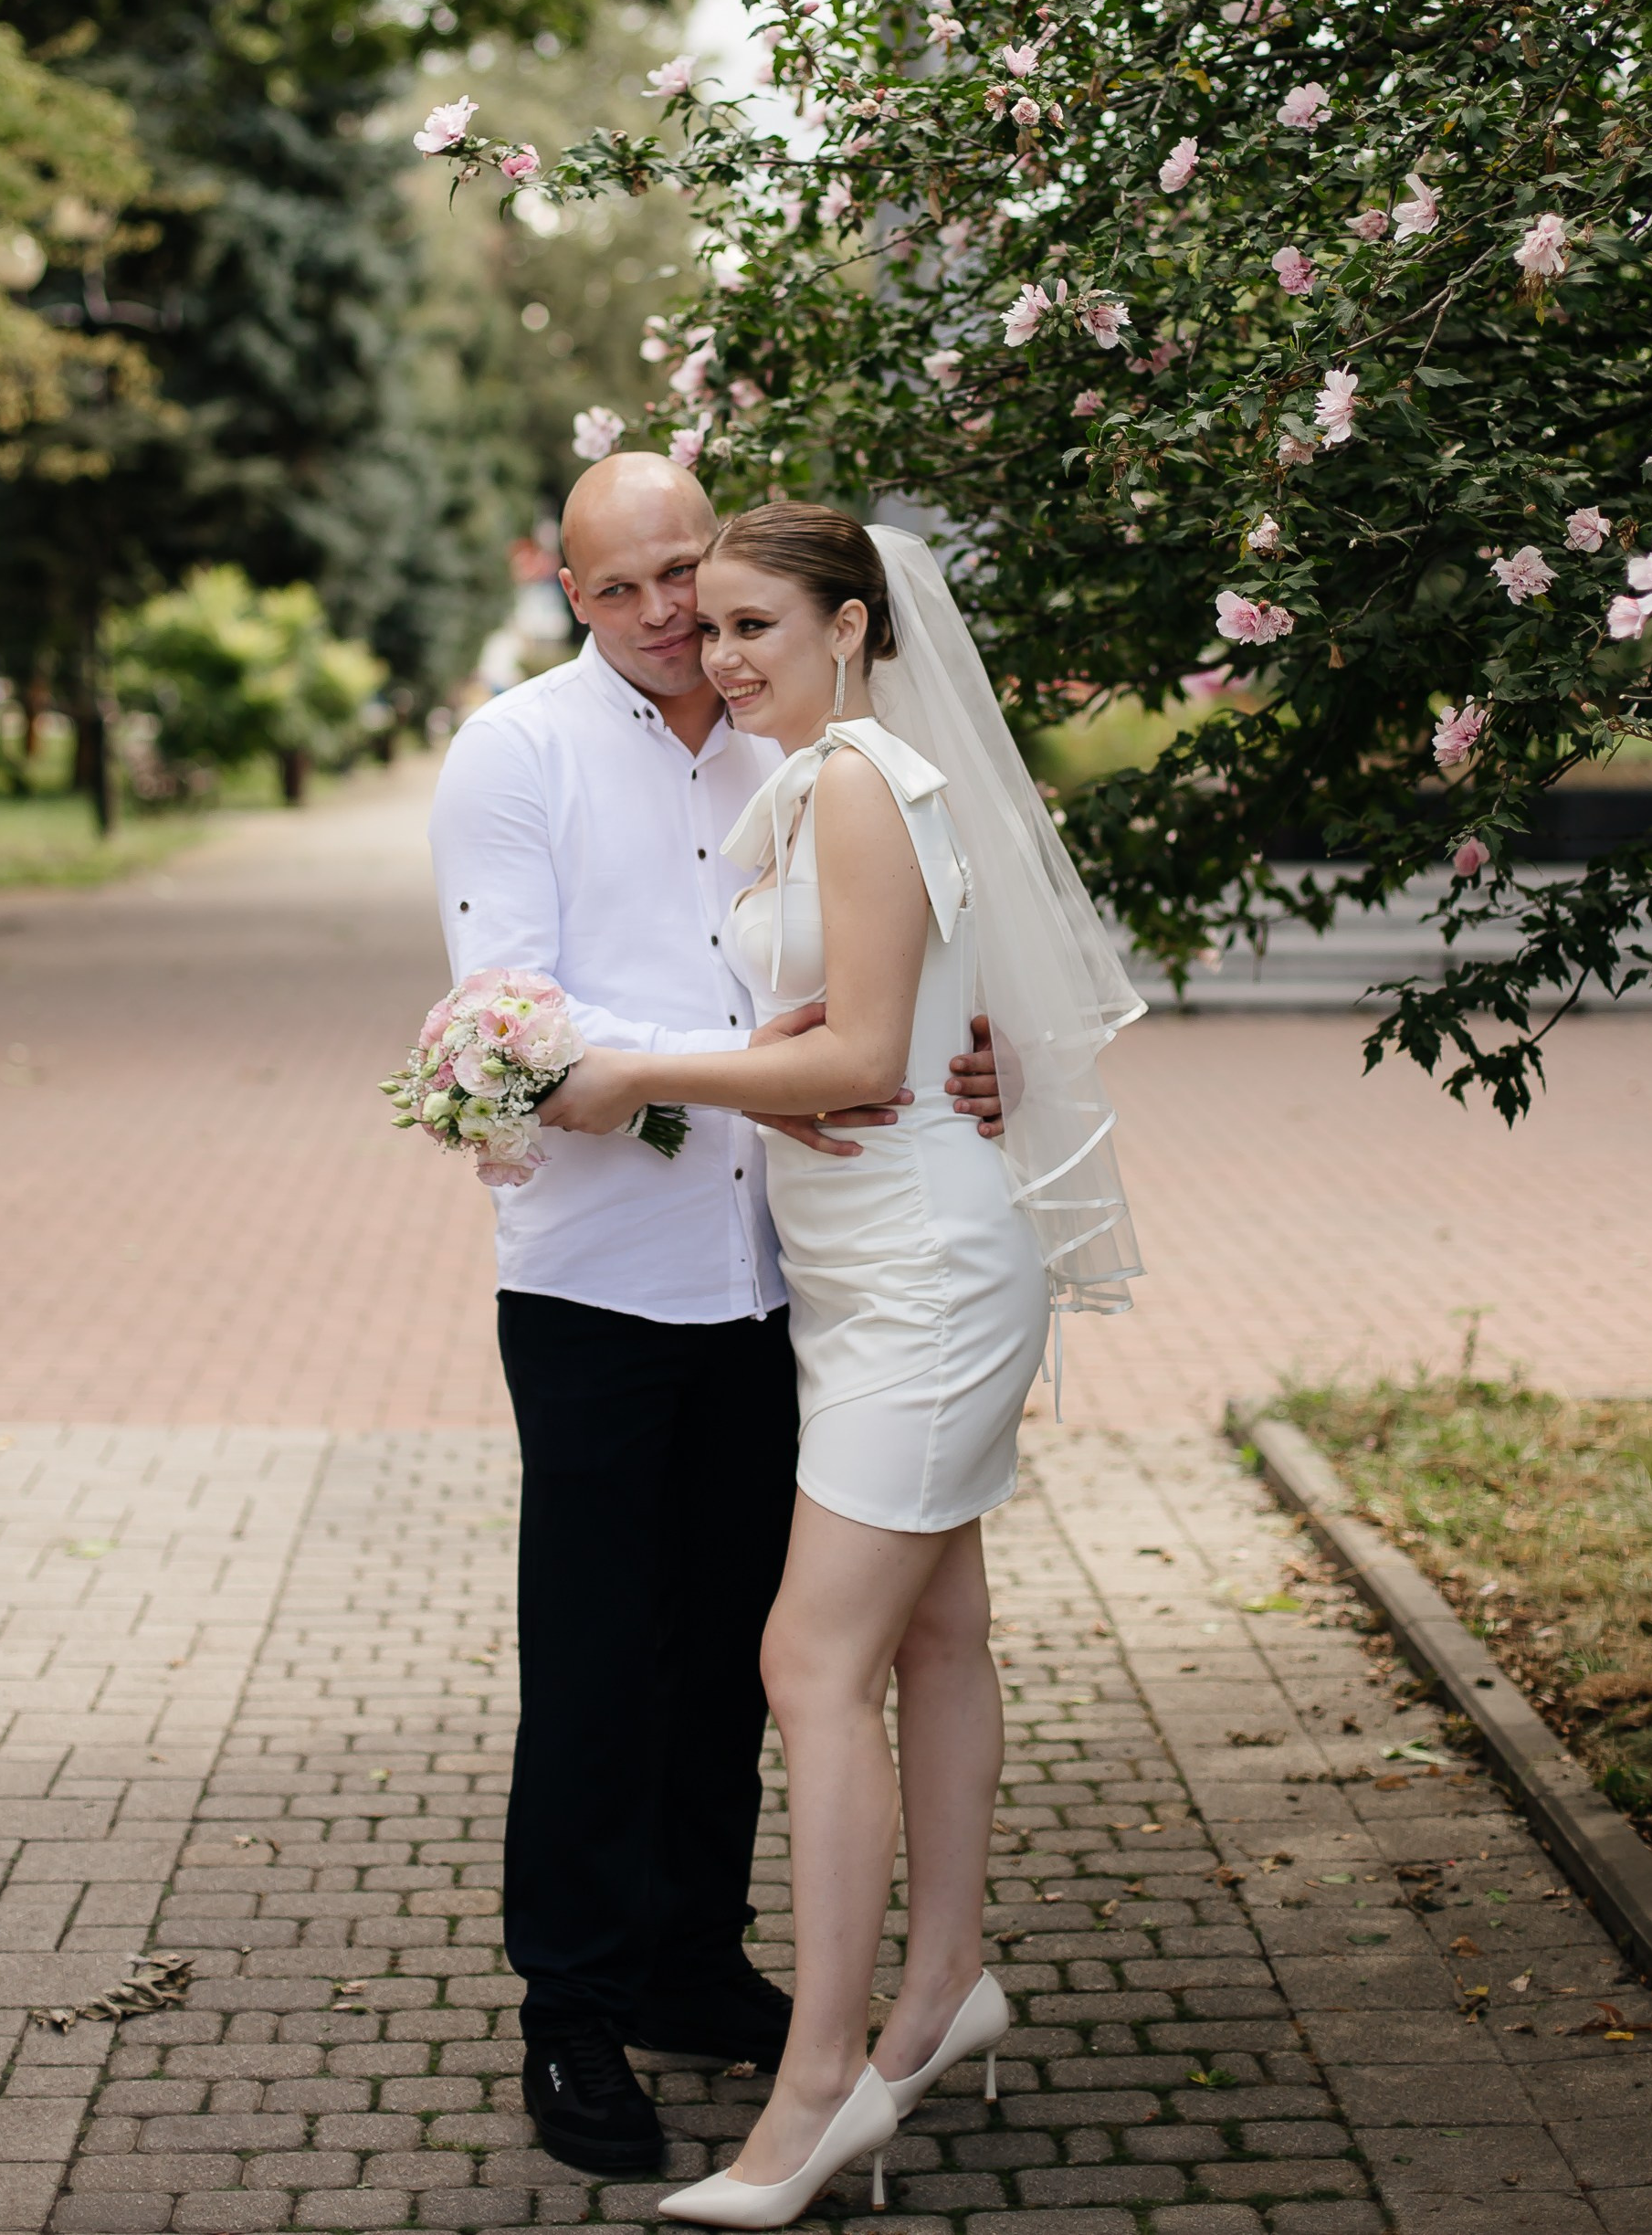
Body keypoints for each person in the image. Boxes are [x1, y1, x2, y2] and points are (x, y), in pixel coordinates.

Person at [541, 504, 1145, 2229]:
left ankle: (815, 2096)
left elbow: (866, 1052)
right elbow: (917, 1022)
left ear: (855, 629)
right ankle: (943, 1987)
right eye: (707, 628)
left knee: (807, 1661)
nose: (723, 655)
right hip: (866, 1268)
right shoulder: (819, 783)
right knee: (937, 1628)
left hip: (926, 1282)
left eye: (757, 627)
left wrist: (637, 1073)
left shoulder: (862, 783)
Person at [426, 457, 1005, 2179]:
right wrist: (767, 1074)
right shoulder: (515, 752)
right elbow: (511, 1003)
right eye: (624, 590)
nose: (671, 616)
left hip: (797, 1278)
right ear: (574, 598)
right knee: (602, 1655)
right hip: (605, 1275)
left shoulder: (792, 706)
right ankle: (576, 2007)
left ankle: (693, 1955)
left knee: (749, 1660)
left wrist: (961, 1040)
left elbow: (910, 944)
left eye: (688, 571)